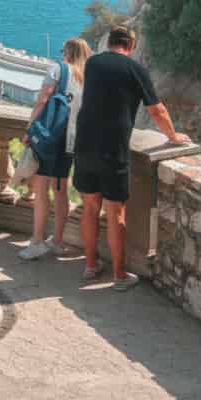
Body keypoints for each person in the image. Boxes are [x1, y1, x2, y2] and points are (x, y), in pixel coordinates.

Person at [72, 25, 187, 290]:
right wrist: (173, 136)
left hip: (85, 142)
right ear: (131, 46)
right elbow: (156, 110)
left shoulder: (92, 64)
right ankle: (120, 275)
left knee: (90, 207)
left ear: (109, 42)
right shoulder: (136, 70)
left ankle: (90, 266)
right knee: (115, 212)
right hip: (113, 148)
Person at [19, 37, 90, 260]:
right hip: (70, 142)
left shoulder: (57, 70)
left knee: (41, 191)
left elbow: (42, 99)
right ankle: (58, 241)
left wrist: (30, 128)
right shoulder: (86, 78)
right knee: (61, 190)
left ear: (67, 53)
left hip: (49, 138)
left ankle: (37, 241)